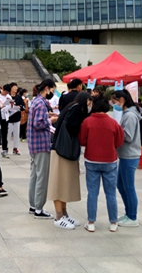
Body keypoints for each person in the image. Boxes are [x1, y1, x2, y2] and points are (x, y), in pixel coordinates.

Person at [79, 94, 124, 233]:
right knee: (111, 193)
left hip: (91, 160)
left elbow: (82, 140)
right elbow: (119, 142)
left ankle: (91, 222)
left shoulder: (87, 122)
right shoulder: (113, 123)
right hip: (109, 160)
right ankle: (113, 222)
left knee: (92, 193)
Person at [48, 92, 92, 229]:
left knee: (64, 184)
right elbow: (72, 127)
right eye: (90, 101)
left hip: (63, 150)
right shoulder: (76, 108)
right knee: (58, 184)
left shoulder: (71, 107)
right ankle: (58, 216)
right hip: (62, 150)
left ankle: (64, 214)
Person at [27, 79, 59, 219]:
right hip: (41, 144)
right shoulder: (41, 103)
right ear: (47, 88)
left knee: (35, 176)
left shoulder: (36, 101)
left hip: (34, 144)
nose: (52, 93)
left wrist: (47, 116)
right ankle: (39, 209)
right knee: (42, 177)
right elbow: (38, 124)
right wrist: (51, 120)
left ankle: (33, 205)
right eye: (52, 90)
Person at [111, 90, 142, 227]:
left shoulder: (130, 115)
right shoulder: (127, 113)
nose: (114, 105)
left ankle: (133, 217)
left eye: (115, 102)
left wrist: (115, 132)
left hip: (130, 155)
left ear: (122, 100)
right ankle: (128, 213)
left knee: (129, 187)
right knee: (121, 185)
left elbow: (128, 136)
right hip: (125, 155)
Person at [7, 82, 26, 156]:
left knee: (16, 134)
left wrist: (19, 107)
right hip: (8, 118)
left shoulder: (18, 97)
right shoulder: (8, 97)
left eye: (16, 87)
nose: (16, 88)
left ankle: (15, 148)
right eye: (14, 87)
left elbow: (23, 106)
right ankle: (6, 147)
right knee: (8, 134)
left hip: (17, 118)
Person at [0, 84, 13, 157]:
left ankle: (4, 149)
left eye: (7, 92)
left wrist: (11, 105)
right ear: (3, 89)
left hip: (5, 117)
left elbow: (10, 109)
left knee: (4, 134)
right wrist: (3, 106)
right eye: (5, 92)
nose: (6, 93)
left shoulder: (8, 97)